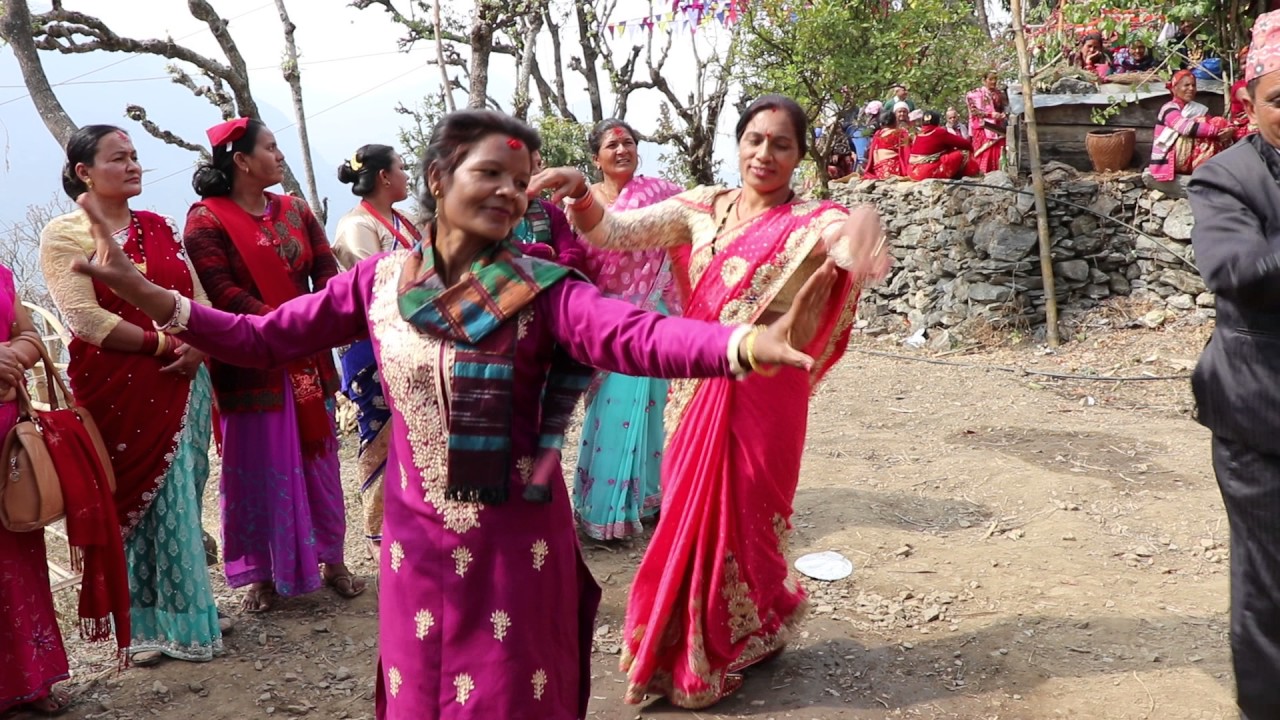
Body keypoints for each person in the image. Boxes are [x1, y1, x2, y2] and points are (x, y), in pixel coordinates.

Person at [72, 108, 850, 720]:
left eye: (522, 179)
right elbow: (262, 337)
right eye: (492, 173)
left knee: (512, 694)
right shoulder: (376, 283)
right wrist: (150, 299)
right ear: (440, 179)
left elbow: (635, 333)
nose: (512, 192)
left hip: (516, 546)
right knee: (421, 693)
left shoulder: (545, 290)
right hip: (414, 547)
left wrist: (738, 345)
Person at [533, 93, 892, 709]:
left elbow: (840, 243)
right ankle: (690, 642)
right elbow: (616, 232)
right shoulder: (700, 207)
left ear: (799, 155)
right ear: (738, 142)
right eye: (756, 139)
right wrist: (578, 191)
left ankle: (728, 642)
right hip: (696, 385)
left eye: (782, 144)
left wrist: (854, 240)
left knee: (749, 512)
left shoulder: (812, 219)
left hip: (765, 397)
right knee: (687, 515)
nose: (765, 154)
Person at [39, 125, 224, 666]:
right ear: (84, 172)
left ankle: (191, 612)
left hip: (185, 378)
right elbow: (85, 319)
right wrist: (166, 340)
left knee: (185, 494)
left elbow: (198, 298)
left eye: (136, 156)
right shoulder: (65, 234)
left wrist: (200, 346)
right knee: (135, 501)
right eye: (119, 159)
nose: (134, 165)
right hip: (121, 387)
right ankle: (144, 626)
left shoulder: (161, 226)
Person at [184, 117, 364, 612]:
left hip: (307, 353)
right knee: (258, 468)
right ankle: (263, 573)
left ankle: (332, 558)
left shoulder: (297, 211)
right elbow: (220, 292)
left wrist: (320, 320)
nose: (279, 155)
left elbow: (327, 272)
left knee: (320, 461)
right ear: (241, 160)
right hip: (250, 361)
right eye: (270, 147)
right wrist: (284, 326)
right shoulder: (206, 220)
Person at [1187, 12, 1280, 718]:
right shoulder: (1226, 178)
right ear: (1247, 101)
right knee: (1268, 580)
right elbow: (1234, 267)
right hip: (1259, 414)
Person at [571, 119, 684, 541]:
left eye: (629, 142)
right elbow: (574, 264)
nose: (622, 150)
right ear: (596, 156)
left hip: (655, 318)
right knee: (610, 414)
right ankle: (604, 513)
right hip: (606, 326)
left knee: (655, 411)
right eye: (612, 145)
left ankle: (646, 501)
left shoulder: (661, 193)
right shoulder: (579, 203)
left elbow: (690, 230)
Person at [333, 144, 419, 556]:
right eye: (401, 168)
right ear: (384, 176)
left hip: (413, 339)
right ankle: (382, 538)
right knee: (381, 439)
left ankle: (416, 528)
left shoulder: (402, 220)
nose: (406, 175)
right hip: (374, 344)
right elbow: (374, 286)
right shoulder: (357, 228)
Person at [0, 267, 73, 714]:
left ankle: (32, 681)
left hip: (8, 437)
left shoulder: (1, 276)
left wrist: (14, 353)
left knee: (18, 560)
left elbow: (29, 334)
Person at [1149, 70, 1234, 182]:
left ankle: (1213, 168)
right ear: (1175, 89)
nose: (1191, 89)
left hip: (1190, 157)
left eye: (1193, 85)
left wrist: (1228, 130)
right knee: (1206, 123)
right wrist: (1217, 131)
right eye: (1186, 85)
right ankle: (1209, 169)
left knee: (1219, 122)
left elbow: (1213, 126)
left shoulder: (1198, 108)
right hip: (1171, 158)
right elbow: (1184, 127)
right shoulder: (1168, 108)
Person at [907, 110, 978, 181]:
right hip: (925, 172)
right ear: (937, 121)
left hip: (911, 171)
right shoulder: (939, 132)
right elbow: (965, 144)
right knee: (964, 152)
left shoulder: (918, 134)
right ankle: (970, 176)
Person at [967, 71, 1008, 173]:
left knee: (998, 152)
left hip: (998, 128)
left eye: (995, 79)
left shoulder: (1000, 94)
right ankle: (979, 173)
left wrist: (1003, 114)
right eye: (990, 79)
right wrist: (990, 115)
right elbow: (974, 111)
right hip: (982, 128)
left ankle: (998, 174)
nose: (993, 82)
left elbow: (1006, 108)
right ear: (984, 80)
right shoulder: (974, 94)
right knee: (983, 152)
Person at [863, 107, 910, 179]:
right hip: (891, 169)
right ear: (895, 122)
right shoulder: (899, 133)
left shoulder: (878, 134)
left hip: (878, 171)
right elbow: (907, 152)